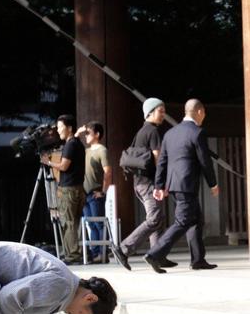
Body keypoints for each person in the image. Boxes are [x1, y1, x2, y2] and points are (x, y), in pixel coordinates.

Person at [144, 98, 219, 272]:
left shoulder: (170, 133)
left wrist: (159, 186)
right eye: (204, 113)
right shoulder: (197, 133)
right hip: (187, 184)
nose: (204, 117)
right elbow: (204, 161)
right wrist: (213, 184)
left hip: (173, 184)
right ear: (199, 112)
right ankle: (155, 253)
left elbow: (162, 162)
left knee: (196, 220)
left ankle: (198, 259)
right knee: (183, 221)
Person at [114, 98, 170, 271]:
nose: (163, 114)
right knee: (154, 219)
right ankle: (123, 249)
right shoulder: (153, 132)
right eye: (160, 111)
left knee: (157, 218)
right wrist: (162, 183)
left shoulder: (140, 132)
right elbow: (158, 158)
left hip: (139, 183)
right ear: (150, 112)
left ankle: (157, 256)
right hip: (149, 183)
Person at [43, 115, 86, 264]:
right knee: (73, 222)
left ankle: (72, 255)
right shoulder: (78, 144)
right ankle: (73, 253)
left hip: (68, 189)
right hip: (78, 188)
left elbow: (64, 166)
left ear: (69, 128)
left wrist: (48, 162)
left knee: (68, 223)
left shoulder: (70, 144)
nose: (58, 130)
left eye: (60, 127)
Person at [80, 122, 112, 262]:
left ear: (97, 134)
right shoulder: (86, 151)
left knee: (98, 223)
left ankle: (102, 253)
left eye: (88, 133)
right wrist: (78, 133)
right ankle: (95, 253)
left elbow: (108, 171)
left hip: (95, 192)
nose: (86, 136)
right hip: (84, 193)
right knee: (90, 224)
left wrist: (103, 191)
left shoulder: (101, 150)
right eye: (85, 133)